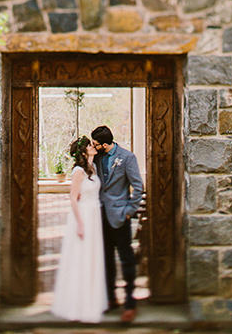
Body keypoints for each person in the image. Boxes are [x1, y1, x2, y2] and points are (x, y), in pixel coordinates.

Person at [51, 136, 107, 323]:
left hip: (95, 214)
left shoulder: (93, 168)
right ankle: (78, 304)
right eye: (91, 145)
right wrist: (80, 223)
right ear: (84, 151)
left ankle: (92, 301)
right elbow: (73, 198)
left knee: (93, 257)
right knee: (81, 258)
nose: (94, 146)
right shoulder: (77, 171)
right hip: (83, 215)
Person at [91, 125, 143, 324]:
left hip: (120, 216)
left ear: (106, 143)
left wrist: (129, 211)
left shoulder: (127, 157)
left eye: (97, 144)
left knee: (126, 258)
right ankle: (110, 297)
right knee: (105, 259)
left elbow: (137, 186)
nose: (95, 147)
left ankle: (130, 301)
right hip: (100, 216)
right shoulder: (96, 157)